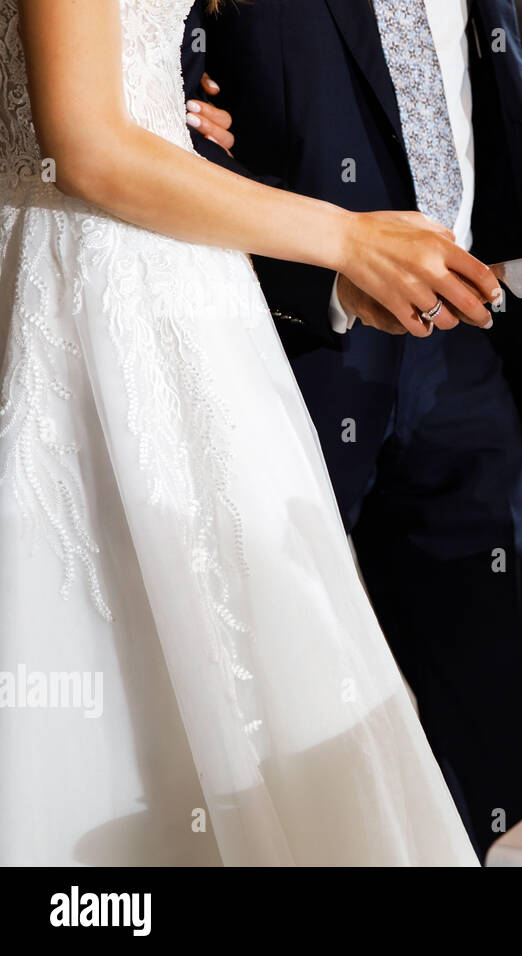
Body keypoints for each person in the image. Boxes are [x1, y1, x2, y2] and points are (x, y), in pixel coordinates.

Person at [0, 0, 483, 865]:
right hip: (86, 283)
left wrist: (167, 84)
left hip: (175, 271)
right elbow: (86, 144)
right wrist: (348, 241)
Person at [179, 0, 522, 858]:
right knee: (284, 686)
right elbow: (149, 111)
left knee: (493, 705)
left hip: (468, 342)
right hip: (295, 342)